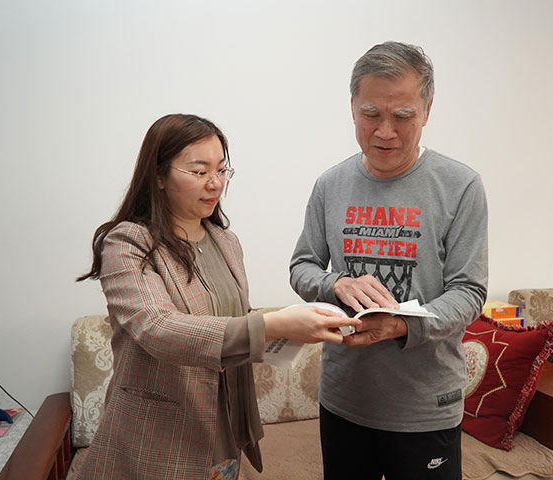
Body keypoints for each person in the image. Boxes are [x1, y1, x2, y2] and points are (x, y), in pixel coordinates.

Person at [76, 113, 358, 480]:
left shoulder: (226, 242)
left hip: (225, 424)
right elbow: (158, 329)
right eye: (199, 171)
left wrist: (300, 326)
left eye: (222, 170)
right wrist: (272, 325)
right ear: (158, 175)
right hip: (160, 434)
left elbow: (233, 319)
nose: (215, 183)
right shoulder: (128, 243)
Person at [289, 41, 488, 479]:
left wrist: (402, 325)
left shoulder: (461, 186)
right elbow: (302, 267)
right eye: (371, 114)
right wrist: (337, 283)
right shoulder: (331, 184)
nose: (384, 132)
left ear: (427, 110)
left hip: (424, 406)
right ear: (352, 107)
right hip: (345, 399)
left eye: (402, 116)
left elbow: (469, 291)